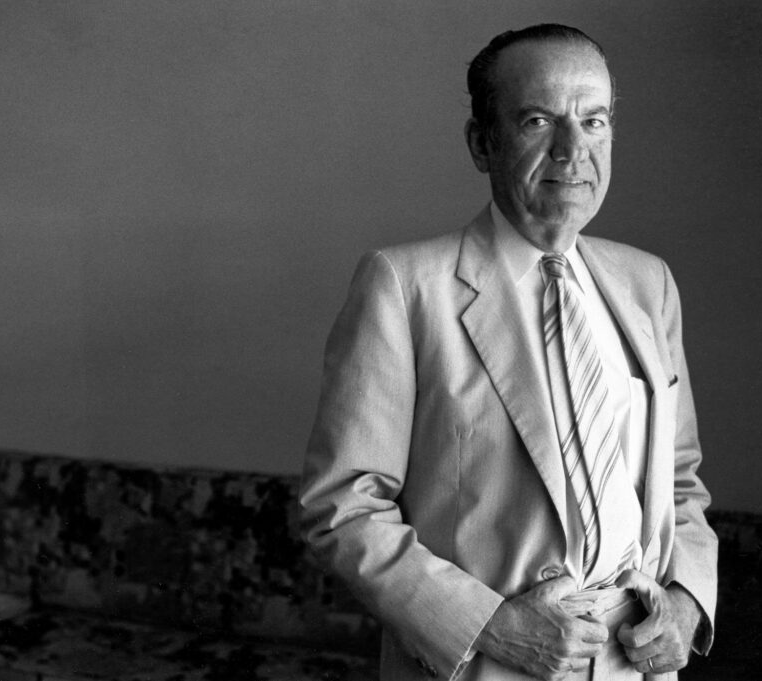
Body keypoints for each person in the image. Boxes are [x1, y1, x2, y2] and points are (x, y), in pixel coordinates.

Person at [299, 24, 717, 681]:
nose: (572, 150)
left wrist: (689, 602)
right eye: (537, 120)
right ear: (481, 143)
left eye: (595, 120)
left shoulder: (649, 283)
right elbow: (343, 506)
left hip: (634, 663)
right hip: (481, 664)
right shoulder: (404, 285)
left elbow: (682, 477)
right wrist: (492, 627)